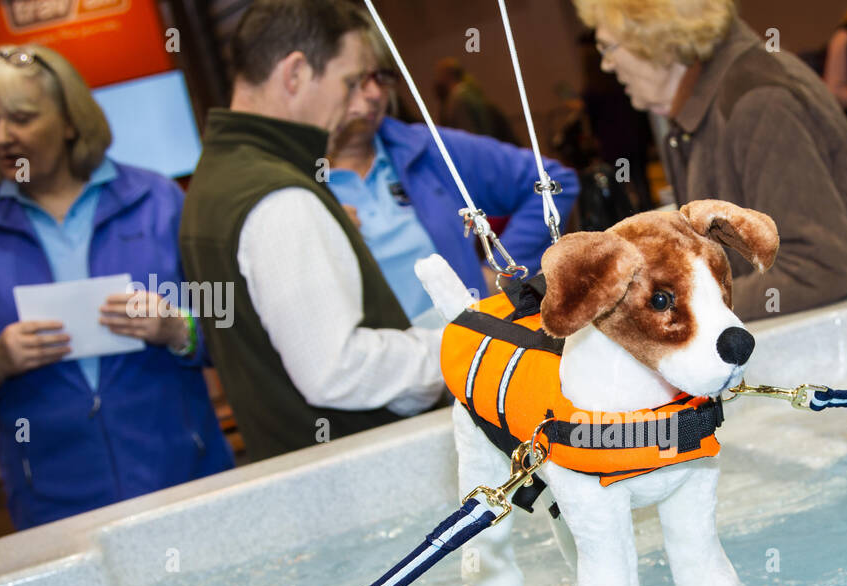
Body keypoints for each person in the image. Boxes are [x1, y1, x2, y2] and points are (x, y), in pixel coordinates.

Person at [0, 45, 232, 530]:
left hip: (185, 478)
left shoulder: (156, 200)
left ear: (71, 121)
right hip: (55, 503)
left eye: (22, 118)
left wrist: (177, 327)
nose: (2, 137)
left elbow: (232, 325)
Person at [180, 0, 445, 463]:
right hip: (362, 476)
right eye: (348, 82)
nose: (355, 104)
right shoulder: (280, 197)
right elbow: (338, 369)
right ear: (296, 72)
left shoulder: (216, 178)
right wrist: (460, 347)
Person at [573, 0, 847, 320]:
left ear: (652, 35)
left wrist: (682, 304)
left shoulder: (757, 100)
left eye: (607, 47)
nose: (606, 65)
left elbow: (818, 267)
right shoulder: (698, 110)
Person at [326, 21, 579, 319]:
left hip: (468, 352)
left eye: (380, 77)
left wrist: (500, 271)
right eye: (355, 80)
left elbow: (553, 181)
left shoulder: (425, 148)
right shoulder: (289, 180)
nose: (372, 93)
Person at [434, 57, 519, 145]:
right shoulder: (470, 91)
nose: (437, 80)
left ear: (447, 75)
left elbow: (468, 133)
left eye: (439, 75)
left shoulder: (458, 99)